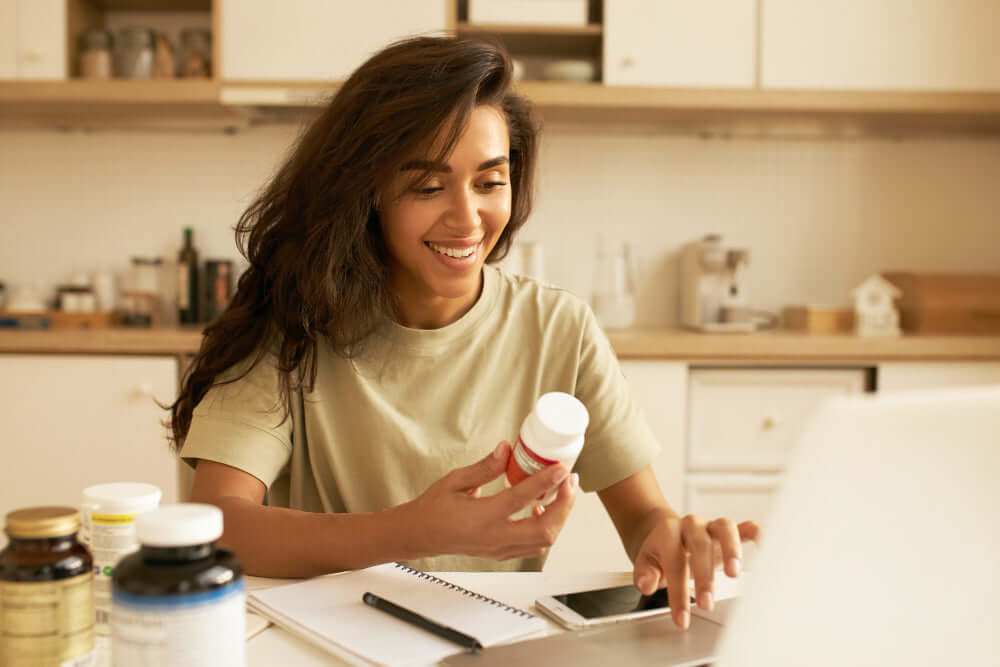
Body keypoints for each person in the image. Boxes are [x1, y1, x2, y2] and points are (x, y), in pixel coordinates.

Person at [169, 36, 757, 630]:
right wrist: (413, 531)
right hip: (330, 644)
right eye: (428, 187)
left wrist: (673, 538)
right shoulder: (292, 323)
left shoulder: (559, 327)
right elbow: (218, 526)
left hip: (493, 644)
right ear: (367, 192)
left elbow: (644, 517)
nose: (467, 217)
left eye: (489, 181)